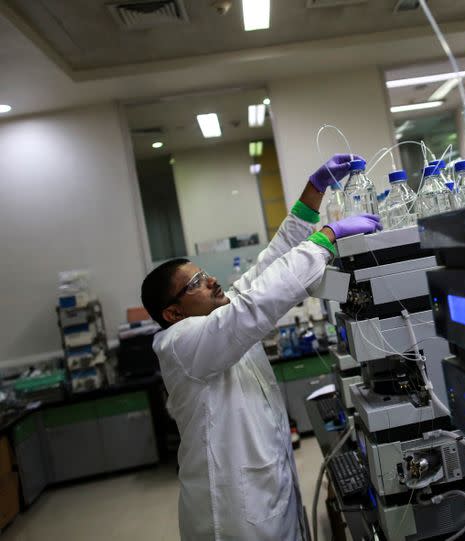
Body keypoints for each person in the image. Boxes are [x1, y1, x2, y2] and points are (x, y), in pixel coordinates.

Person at [140, 154, 381, 541]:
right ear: (171, 313)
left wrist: (314, 191)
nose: (212, 282)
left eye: (204, 273)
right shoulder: (179, 344)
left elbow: (273, 263)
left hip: (268, 491)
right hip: (233, 514)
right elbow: (259, 304)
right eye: (196, 283)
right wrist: (327, 239)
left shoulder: (221, 313)